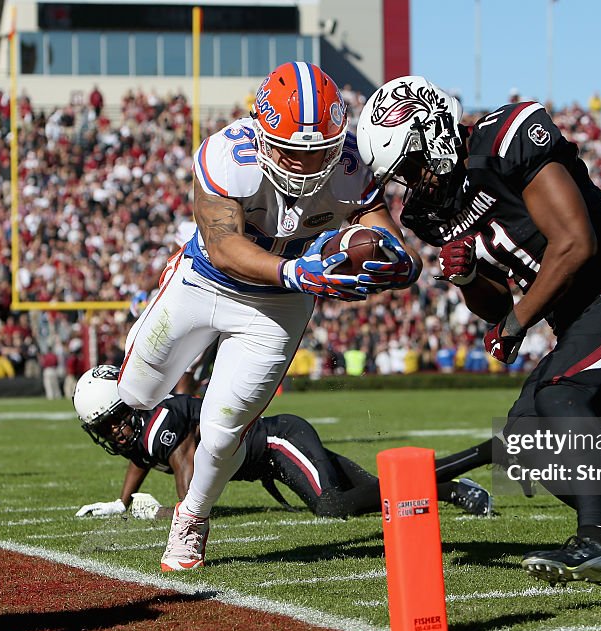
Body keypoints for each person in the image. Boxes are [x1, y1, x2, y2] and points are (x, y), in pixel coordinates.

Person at [356, 76, 601, 595]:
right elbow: (494, 303)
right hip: (580, 327)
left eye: (411, 165)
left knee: (558, 394)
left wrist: (515, 324)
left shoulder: (508, 135)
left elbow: (575, 244)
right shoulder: (428, 210)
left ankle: (597, 540)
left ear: (429, 124)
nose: (412, 183)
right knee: (529, 443)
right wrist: (464, 278)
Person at [117, 62, 420, 572]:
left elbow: (379, 228)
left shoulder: (350, 164)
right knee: (133, 396)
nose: (303, 165)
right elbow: (223, 245)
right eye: (290, 151)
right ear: (260, 132)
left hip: (275, 309)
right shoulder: (226, 155)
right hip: (203, 284)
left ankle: (191, 517)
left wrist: (393, 257)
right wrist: (296, 270)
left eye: (316, 151)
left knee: (221, 431)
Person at [73, 366, 491, 519]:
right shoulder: (140, 428)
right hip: (271, 454)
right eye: (104, 428)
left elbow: (193, 496)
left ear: (124, 406)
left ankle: (485, 453)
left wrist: (162, 513)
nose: (113, 433)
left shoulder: (163, 418)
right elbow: (141, 455)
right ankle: (453, 490)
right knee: (370, 494)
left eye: (111, 422)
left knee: (335, 506)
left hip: (277, 440)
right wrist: (122, 501)